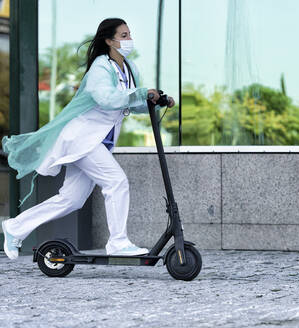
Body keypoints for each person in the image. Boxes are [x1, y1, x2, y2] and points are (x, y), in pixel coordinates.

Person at [1, 18, 175, 260]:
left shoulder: (130, 68)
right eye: (123, 35)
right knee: (116, 182)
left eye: (129, 34)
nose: (129, 40)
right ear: (108, 40)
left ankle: (15, 227)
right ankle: (118, 243)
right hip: (83, 139)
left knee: (71, 199)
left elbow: (129, 103)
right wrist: (140, 93)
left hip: (98, 142)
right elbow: (106, 98)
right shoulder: (100, 68)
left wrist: (154, 103)